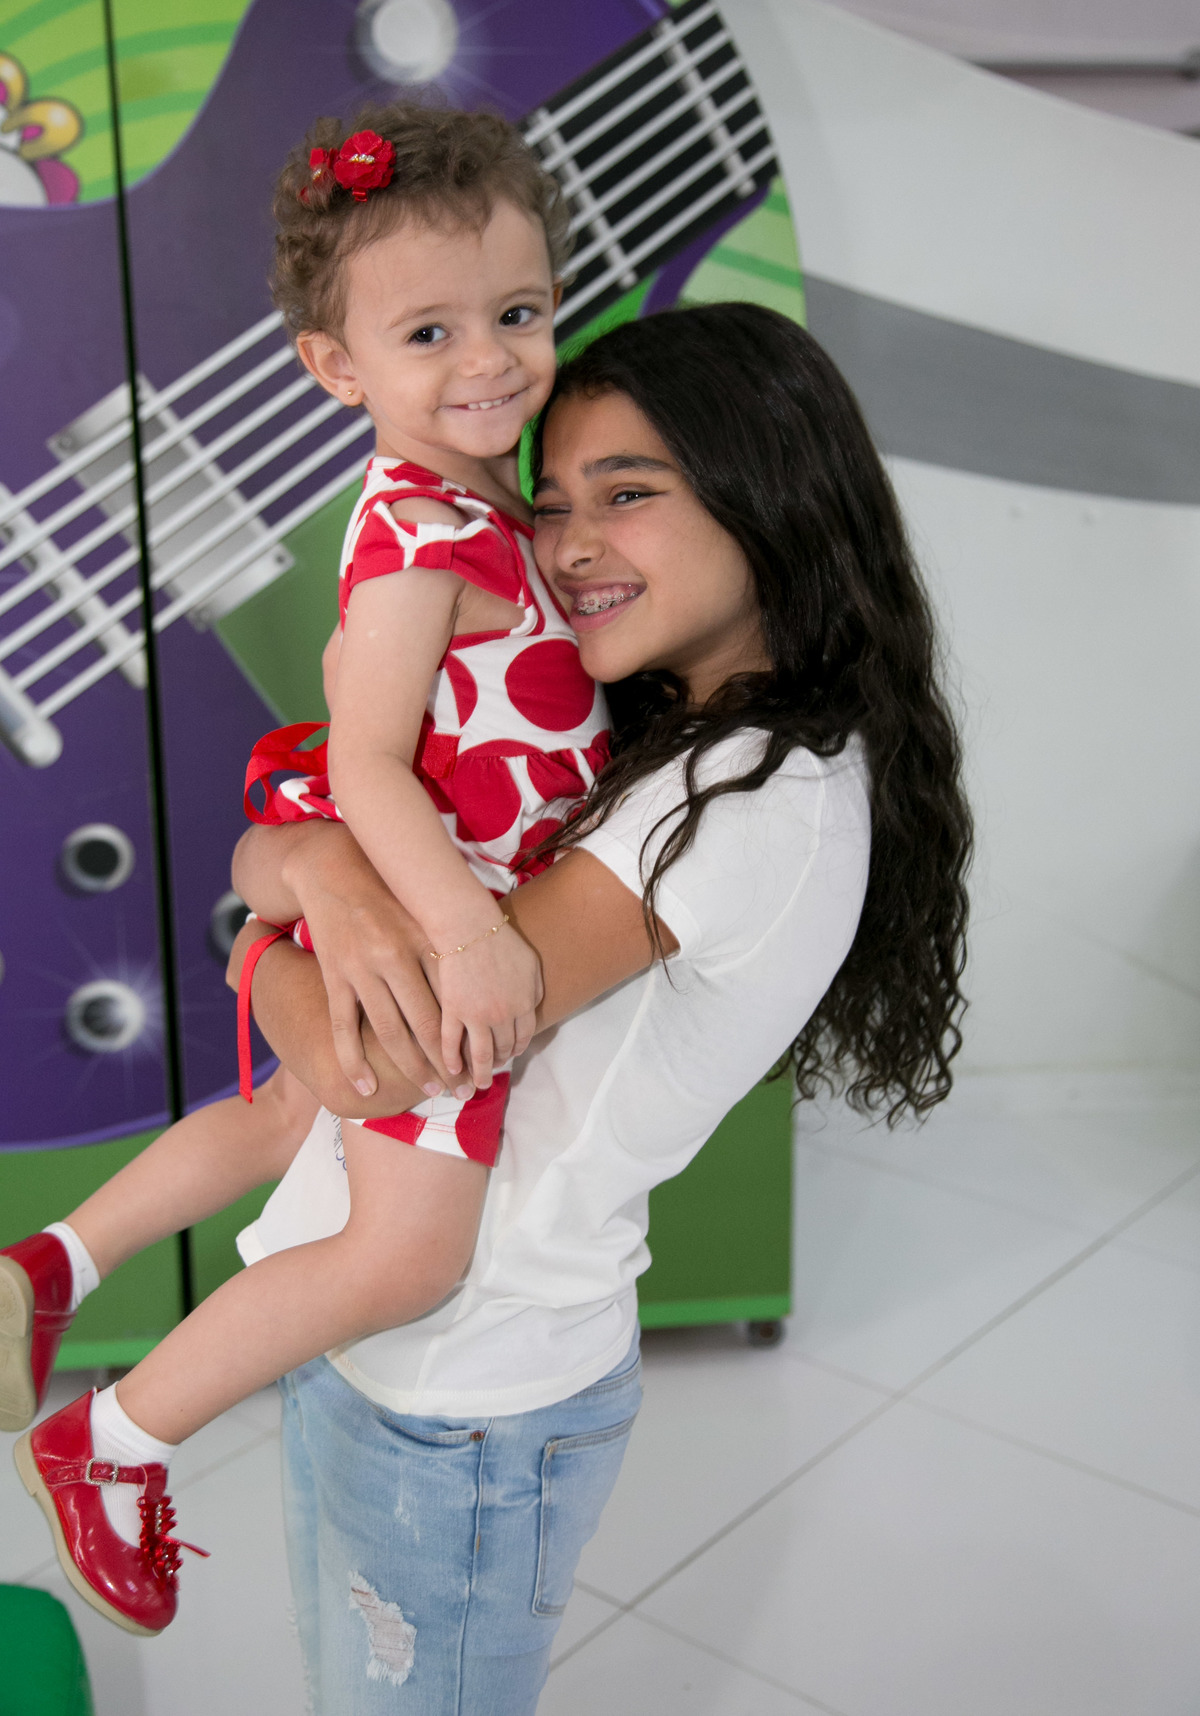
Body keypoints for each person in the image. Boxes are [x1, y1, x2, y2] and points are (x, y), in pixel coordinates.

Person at [212, 301, 973, 1713]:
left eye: (628, 493)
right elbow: (302, 854)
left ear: (773, 493)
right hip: (384, 1339)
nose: (568, 546)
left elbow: (381, 1058)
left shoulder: (739, 796)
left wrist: (258, 941)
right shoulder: (661, 742)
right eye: (553, 501)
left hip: (467, 1396)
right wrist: (309, 871)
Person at [1, 102, 612, 1638]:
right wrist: (467, 935)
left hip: (422, 882)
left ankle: (53, 1264)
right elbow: (365, 765)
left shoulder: (480, 502)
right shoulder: (422, 535)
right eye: (429, 333)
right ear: (337, 367)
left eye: (518, 312)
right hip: (429, 916)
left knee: (289, 1113)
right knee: (406, 1254)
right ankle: (116, 1436)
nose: (490, 360)